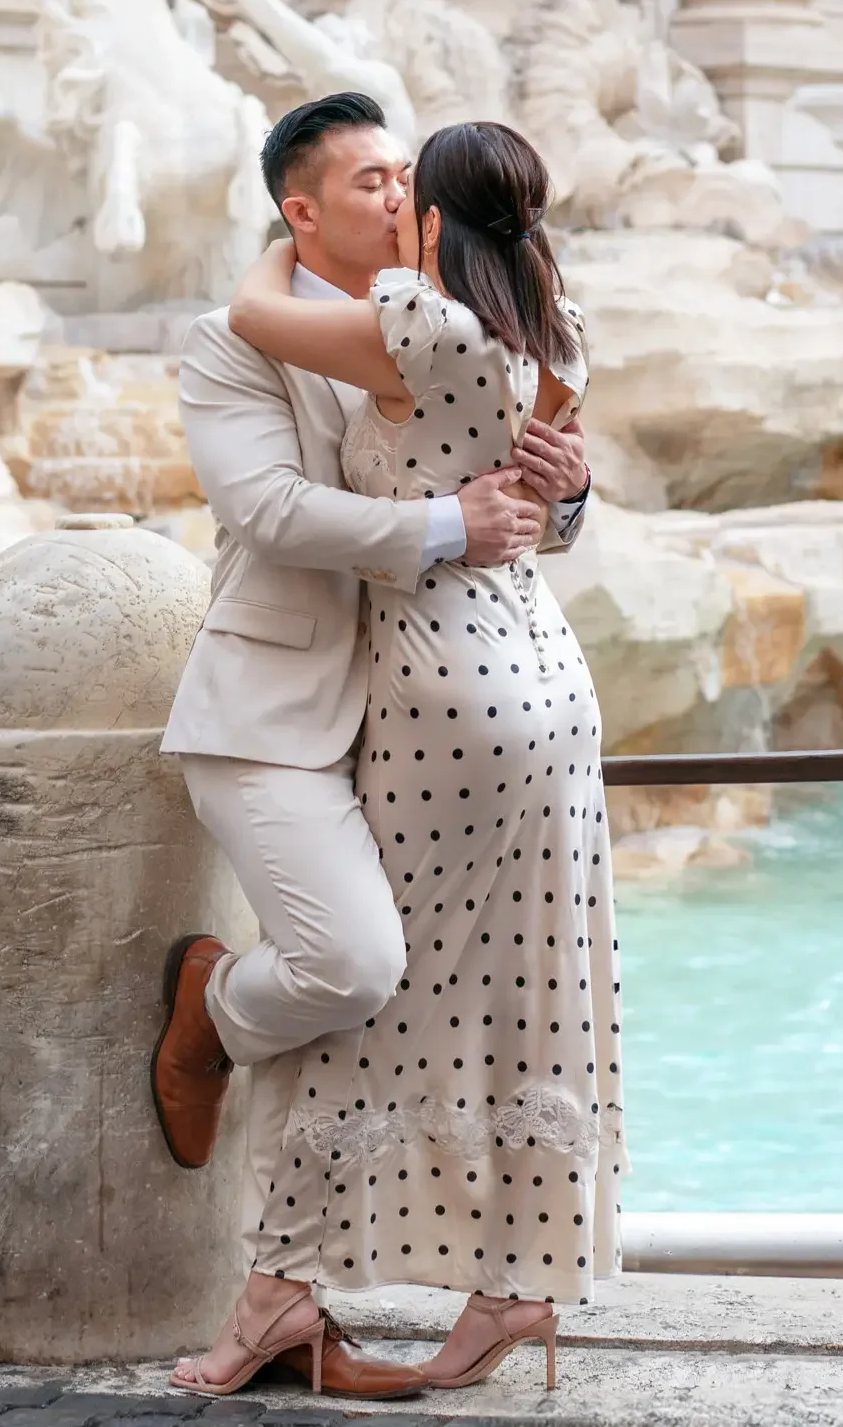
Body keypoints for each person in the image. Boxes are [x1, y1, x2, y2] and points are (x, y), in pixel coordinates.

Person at [166, 118, 622, 1398]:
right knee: (461, 983)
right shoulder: (516, 313)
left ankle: (287, 1294)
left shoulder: (417, 319)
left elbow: (541, 508)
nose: (392, 196)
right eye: (368, 180)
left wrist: (561, 490)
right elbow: (263, 508)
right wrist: (451, 516)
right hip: (330, 701)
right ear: (300, 214)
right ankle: (504, 1279)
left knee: (409, 999)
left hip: (440, 708)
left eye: (405, 181)